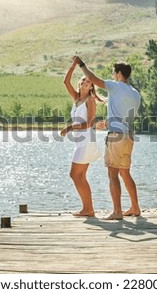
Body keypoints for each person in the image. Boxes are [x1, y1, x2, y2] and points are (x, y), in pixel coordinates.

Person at [73, 56, 141, 220]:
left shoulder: (116, 86)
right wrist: (108, 123)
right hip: (128, 136)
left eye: (113, 73)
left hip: (116, 137)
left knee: (112, 174)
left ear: (118, 74)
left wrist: (81, 64)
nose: (112, 75)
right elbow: (124, 116)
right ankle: (135, 207)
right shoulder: (135, 93)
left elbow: (93, 79)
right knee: (125, 173)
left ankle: (117, 211)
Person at [60, 59, 104, 217]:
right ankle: (88, 209)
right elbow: (66, 82)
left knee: (75, 174)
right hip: (80, 142)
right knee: (79, 175)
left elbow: (90, 122)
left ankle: (88, 208)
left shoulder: (90, 100)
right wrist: (72, 65)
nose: (86, 82)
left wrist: (70, 127)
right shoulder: (77, 99)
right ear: (80, 84)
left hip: (87, 141)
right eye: (83, 80)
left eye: (88, 81)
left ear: (92, 86)